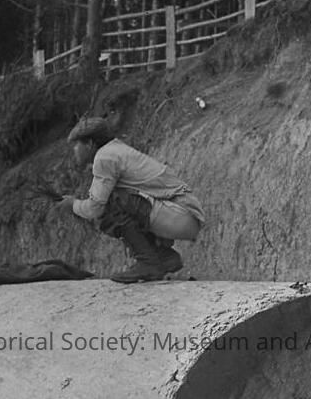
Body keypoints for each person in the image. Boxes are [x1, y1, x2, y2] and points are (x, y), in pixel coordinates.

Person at [55, 115, 206, 282]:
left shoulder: (105, 158)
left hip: (180, 215)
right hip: (183, 215)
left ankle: (149, 262)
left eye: (77, 144)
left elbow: (95, 208)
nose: (74, 150)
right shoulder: (115, 150)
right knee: (116, 200)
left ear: (90, 144)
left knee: (112, 204)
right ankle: (162, 257)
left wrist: (73, 204)